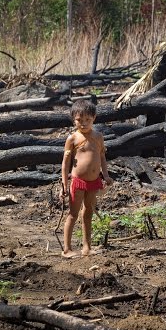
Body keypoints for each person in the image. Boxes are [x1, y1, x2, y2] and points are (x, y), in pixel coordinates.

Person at [59, 99, 114, 258]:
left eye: (87, 120)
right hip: (77, 182)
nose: (83, 124)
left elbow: (102, 157)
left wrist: (106, 175)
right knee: (73, 214)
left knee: (88, 212)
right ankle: (67, 249)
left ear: (94, 118)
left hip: (94, 182)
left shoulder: (98, 136)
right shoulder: (72, 139)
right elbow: (65, 163)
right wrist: (64, 184)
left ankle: (86, 247)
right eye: (79, 120)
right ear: (73, 119)